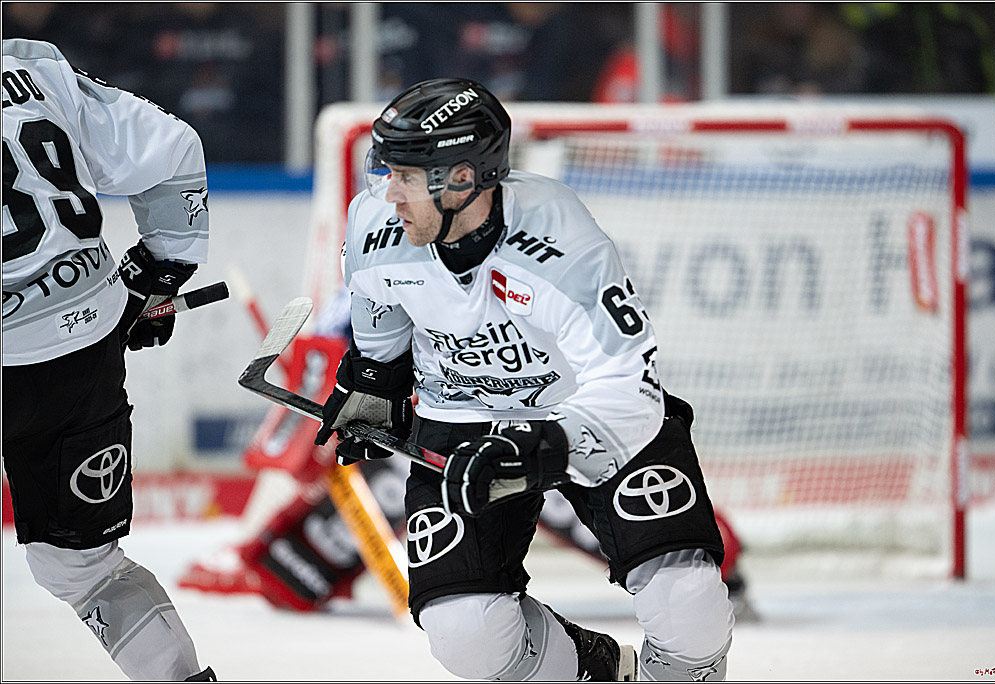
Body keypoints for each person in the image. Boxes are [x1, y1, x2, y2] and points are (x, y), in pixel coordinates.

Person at [315, 78, 734, 681]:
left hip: (584, 415)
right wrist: (373, 386)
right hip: (460, 420)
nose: (389, 193)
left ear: (462, 179)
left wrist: (546, 442)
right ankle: (598, 670)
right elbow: (381, 323)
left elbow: (630, 385)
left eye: (406, 176)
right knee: (466, 635)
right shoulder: (375, 223)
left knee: (688, 605)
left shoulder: (560, 240)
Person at [2, 39, 214, 681]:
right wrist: (156, 277)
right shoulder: (30, 67)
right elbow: (173, 149)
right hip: (78, 345)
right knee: (85, 568)